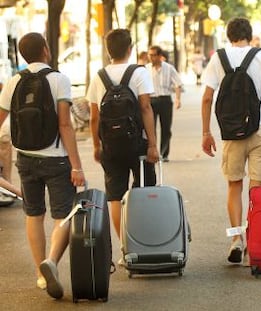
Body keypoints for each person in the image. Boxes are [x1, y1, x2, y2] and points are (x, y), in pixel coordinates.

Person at [0, 32, 85, 299]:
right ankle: (51, 262)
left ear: (24, 55)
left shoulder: (13, 82)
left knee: (33, 214)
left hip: (25, 157)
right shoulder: (59, 79)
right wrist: (77, 166)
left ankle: (40, 274)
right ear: (46, 50)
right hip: (56, 158)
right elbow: (64, 124)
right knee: (64, 214)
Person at [201, 17, 261, 264]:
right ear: (250, 35)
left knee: (234, 185)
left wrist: (206, 133)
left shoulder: (218, 58)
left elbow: (207, 98)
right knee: (257, 189)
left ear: (228, 36)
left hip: (232, 131)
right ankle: (255, 236)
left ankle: (236, 238)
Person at [86, 29, 159, 256]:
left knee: (115, 196)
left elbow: (94, 116)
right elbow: (146, 108)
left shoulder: (99, 76)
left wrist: (97, 145)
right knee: (144, 190)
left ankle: (125, 247)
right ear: (130, 48)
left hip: (111, 145)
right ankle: (144, 243)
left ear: (109, 51)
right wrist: (153, 144)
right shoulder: (139, 72)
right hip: (137, 144)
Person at [147, 45, 183, 162]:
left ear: (159, 56)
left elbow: (177, 84)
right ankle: (153, 152)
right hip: (151, 100)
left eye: (153, 55)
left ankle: (164, 153)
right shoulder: (145, 69)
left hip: (165, 100)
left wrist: (178, 99)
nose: (151, 58)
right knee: (150, 128)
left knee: (166, 128)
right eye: (149, 55)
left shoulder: (169, 68)